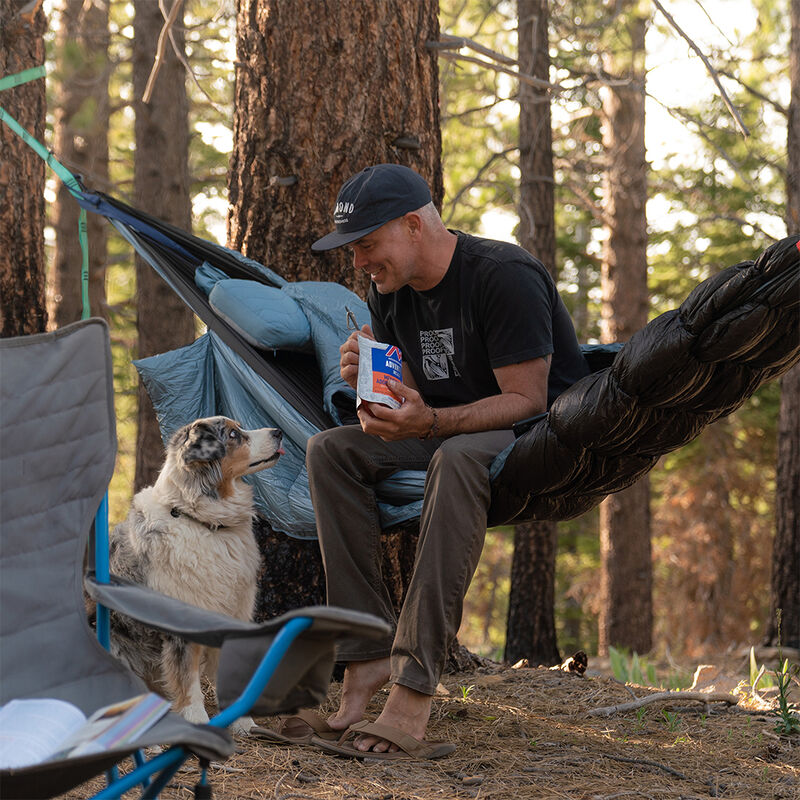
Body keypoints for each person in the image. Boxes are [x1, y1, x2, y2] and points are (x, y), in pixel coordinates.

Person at [305, 163, 588, 758]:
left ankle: (413, 689)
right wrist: (374, 388)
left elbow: (527, 399)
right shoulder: (388, 290)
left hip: (539, 434)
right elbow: (415, 387)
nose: (358, 263)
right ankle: (366, 654)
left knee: (456, 458)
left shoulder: (502, 274)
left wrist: (429, 420)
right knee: (330, 450)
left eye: (366, 245)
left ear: (412, 225)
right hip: (445, 424)